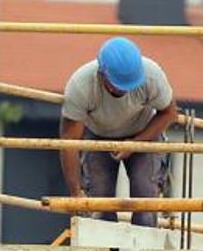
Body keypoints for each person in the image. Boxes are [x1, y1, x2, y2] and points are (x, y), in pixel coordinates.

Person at [60, 36, 177, 227]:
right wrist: (75, 192)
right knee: (100, 210)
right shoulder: (81, 86)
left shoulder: (152, 76)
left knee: (145, 206)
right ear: (102, 74)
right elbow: (69, 141)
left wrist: (135, 143)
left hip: (144, 134)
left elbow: (169, 113)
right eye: (118, 86)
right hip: (98, 137)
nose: (124, 91)